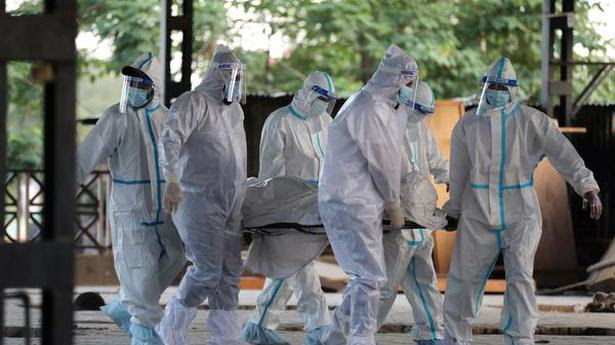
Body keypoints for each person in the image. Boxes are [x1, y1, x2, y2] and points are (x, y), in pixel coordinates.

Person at [439, 57, 603, 345]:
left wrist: (588, 187)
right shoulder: (468, 125)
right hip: (478, 215)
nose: (497, 91)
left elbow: (565, 156)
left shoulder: (532, 121)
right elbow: (460, 173)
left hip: (521, 216)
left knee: (520, 277)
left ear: (513, 89)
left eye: (503, 86)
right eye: (493, 86)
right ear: (485, 87)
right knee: (463, 279)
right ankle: (454, 338)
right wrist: (454, 211)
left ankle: (520, 338)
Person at [76, 52, 185, 345]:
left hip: (165, 207)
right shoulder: (116, 117)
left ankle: (125, 305)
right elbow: (84, 159)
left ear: (155, 86)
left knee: (178, 254)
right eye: (131, 81)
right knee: (140, 270)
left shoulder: (167, 117)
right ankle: (146, 333)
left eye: (142, 82)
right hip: (132, 208)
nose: (135, 87)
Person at [318, 44, 419, 345]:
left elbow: (392, 155)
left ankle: (336, 337)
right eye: (408, 83)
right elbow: (382, 160)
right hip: (352, 201)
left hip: (353, 200)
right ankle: (360, 339)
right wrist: (393, 202)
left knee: (366, 276)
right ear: (396, 79)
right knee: (370, 277)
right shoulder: (370, 108)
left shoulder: (376, 104)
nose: (409, 90)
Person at [156, 45, 248, 345]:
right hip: (198, 198)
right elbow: (169, 139)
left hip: (231, 200)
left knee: (230, 271)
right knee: (207, 270)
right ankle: (170, 328)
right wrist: (171, 178)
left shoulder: (235, 110)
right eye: (229, 75)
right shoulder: (193, 102)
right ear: (216, 74)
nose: (234, 82)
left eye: (238, 76)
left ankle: (225, 336)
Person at [242, 71, 336, 345]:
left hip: (315, 206)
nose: (323, 104)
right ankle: (319, 328)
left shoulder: (325, 121)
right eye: (320, 98)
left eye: (328, 100)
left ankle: (260, 324)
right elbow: (272, 173)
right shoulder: (280, 121)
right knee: (300, 265)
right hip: (286, 207)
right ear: (307, 92)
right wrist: (281, 204)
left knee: (293, 265)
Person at [376, 80, 447, 345]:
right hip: (398, 222)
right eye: (418, 111)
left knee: (424, 280)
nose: (420, 117)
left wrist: (454, 179)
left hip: (421, 223)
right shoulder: (387, 130)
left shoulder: (422, 129)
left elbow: (437, 162)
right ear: (405, 103)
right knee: (384, 286)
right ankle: (356, 334)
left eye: (426, 113)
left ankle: (431, 332)